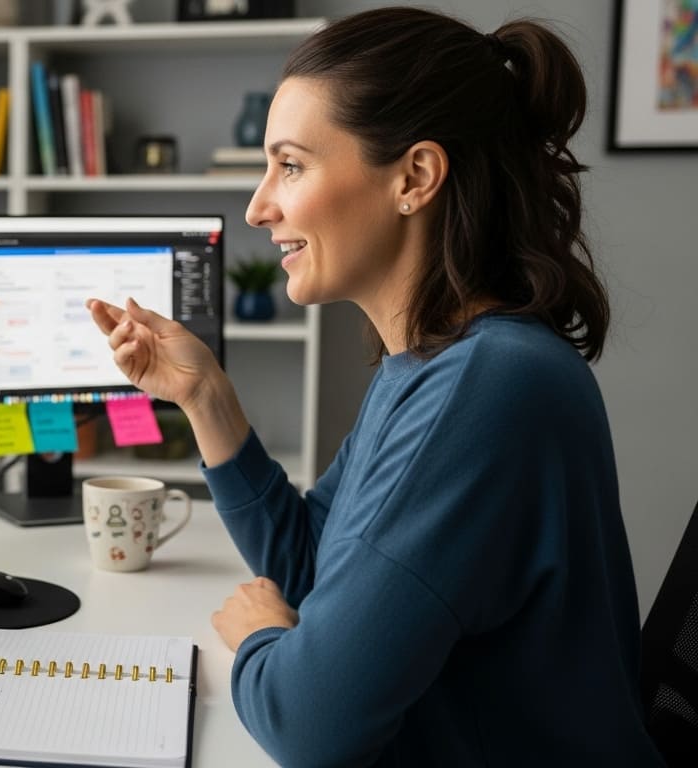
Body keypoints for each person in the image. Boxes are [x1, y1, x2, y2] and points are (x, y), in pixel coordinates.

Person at [85, 8, 660, 765]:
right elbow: (312, 566)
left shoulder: (484, 387)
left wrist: (259, 635)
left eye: (290, 166)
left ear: (414, 178)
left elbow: (309, 725)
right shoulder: (432, 366)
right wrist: (204, 397)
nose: (259, 206)